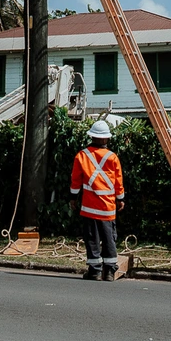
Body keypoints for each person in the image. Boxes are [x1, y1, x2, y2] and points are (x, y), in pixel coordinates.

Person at [69, 120, 124, 281]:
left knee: (92, 238)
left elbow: (76, 180)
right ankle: (109, 272)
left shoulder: (82, 155)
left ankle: (95, 271)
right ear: (106, 138)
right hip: (107, 207)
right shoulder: (112, 157)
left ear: (92, 136)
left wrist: (73, 198)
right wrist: (120, 199)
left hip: (89, 206)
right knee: (109, 239)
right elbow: (118, 182)